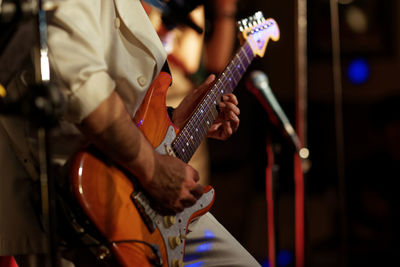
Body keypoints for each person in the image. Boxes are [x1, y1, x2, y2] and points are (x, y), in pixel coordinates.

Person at [0, 0, 260, 266]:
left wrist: (171, 121)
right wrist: (153, 169)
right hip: (83, 207)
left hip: (140, 196)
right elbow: (76, 79)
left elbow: (119, 88)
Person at [144, 0, 239, 185]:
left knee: (190, 203)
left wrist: (225, 9)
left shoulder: (194, 7)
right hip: (143, 117)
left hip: (188, 122)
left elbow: (213, 63)